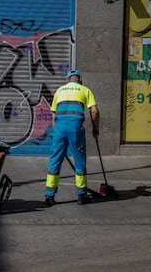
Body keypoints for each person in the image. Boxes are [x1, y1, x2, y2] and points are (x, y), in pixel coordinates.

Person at [44, 69, 100, 206]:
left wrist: (56, 131)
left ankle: (49, 196)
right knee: (79, 160)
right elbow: (95, 111)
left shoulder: (59, 90)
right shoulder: (85, 90)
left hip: (60, 129)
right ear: (80, 79)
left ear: (68, 79)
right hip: (76, 128)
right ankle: (81, 195)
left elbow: (53, 114)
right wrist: (95, 129)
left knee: (55, 160)